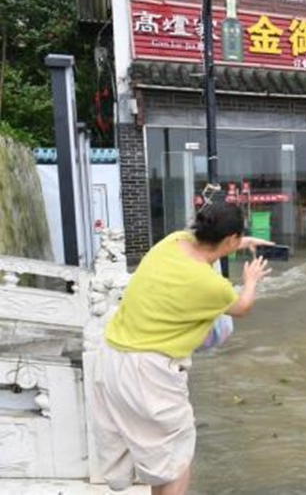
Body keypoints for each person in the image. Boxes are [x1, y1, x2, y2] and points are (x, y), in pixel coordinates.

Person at [91, 201, 272, 495]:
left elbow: (204, 251)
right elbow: (241, 307)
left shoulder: (172, 242)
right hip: (149, 373)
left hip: (111, 358)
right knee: (176, 460)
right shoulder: (211, 285)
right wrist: (251, 279)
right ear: (229, 240)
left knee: (160, 460)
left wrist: (241, 241)